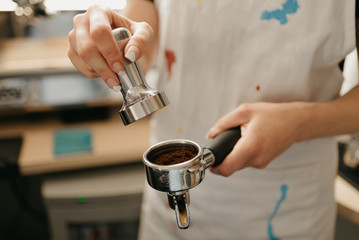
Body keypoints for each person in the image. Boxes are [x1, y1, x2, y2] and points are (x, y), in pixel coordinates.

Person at [68, 0, 359, 239]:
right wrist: (116, 45)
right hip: (164, 215)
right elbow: (149, 8)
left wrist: (300, 123)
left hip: (280, 212)